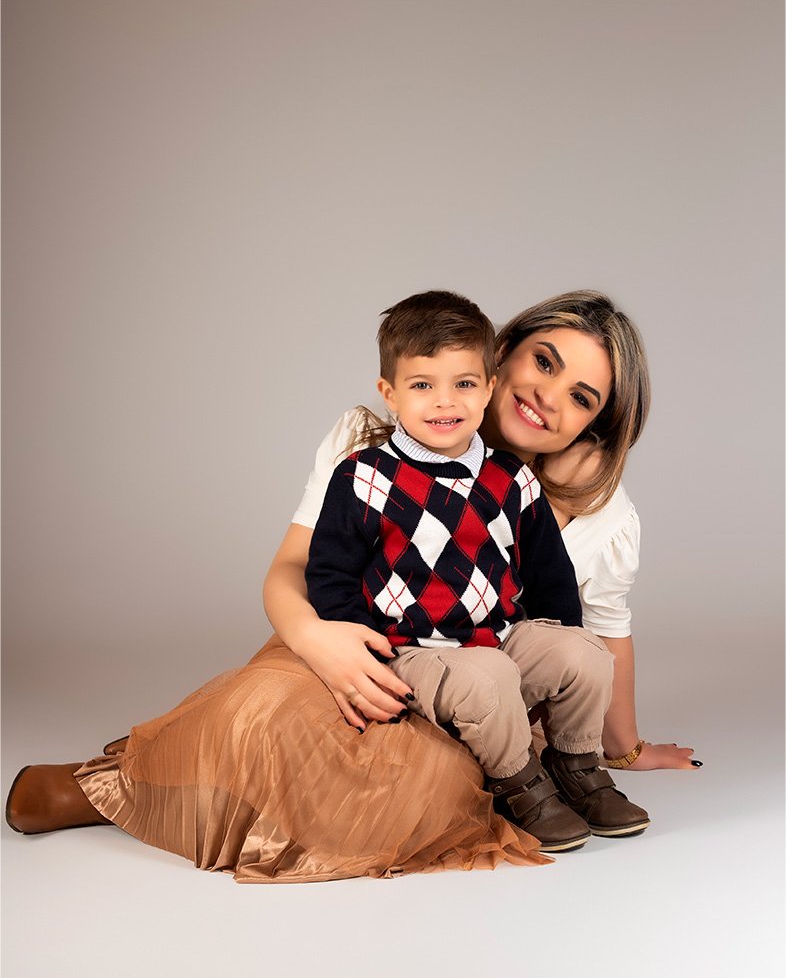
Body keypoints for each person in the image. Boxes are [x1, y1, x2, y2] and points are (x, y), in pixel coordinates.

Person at [5, 290, 698, 883]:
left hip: (495, 696)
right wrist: (320, 641)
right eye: (544, 362)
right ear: (501, 357)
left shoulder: (596, 513)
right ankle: (117, 789)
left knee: (425, 781)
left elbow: (602, 633)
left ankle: (533, 785)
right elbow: (294, 569)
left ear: (597, 423)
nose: (548, 396)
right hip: (364, 646)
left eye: (581, 397)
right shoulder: (370, 449)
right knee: (275, 715)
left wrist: (626, 747)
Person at [305, 291, 649, 852]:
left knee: (585, 653)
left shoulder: (512, 478)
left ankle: (576, 764)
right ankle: (520, 781)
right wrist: (363, 651)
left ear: (487, 387)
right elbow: (328, 574)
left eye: (463, 385)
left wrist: (561, 642)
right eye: (423, 386)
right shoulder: (364, 475)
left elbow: (551, 577)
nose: (445, 402)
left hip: (499, 639)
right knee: (486, 675)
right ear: (390, 394)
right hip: (410, 650)